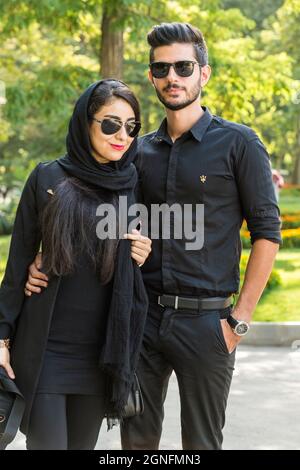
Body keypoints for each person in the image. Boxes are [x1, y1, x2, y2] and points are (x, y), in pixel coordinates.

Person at [24, 23, 282, 450]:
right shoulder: (135, 150)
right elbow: (98, 216)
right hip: (141, 320)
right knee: (136, 442)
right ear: (151, 77)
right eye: (161, 69)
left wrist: (238, 321)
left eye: (183, 66)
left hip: (208, 321)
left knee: (201, 444)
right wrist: (44, 257)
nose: (172, 77)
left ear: (204, 73)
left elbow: (267, 235)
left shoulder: (239, 143)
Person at [0, 79, 152, 450]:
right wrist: (2, 337)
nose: (122, 135)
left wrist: (143, 251)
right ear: (86, 122)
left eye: (131, 126)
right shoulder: (48, 177)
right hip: (47, 349)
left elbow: (135, 255)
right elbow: (18, 262)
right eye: (111, 123)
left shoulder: (132, 183)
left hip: (102, 355)